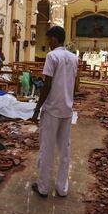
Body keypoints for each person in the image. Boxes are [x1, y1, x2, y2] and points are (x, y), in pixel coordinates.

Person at [31, 26, 78, 198]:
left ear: (55, 39)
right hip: (67, 109)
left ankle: (43, 187)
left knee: (47, 149)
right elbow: (74, 83)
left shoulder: (52, 56)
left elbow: (47, 84)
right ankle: (62, 188)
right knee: (65, 150)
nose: (47, 42)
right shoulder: (74, 58)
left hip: (52, 109)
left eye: (49, 39)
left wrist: (37, 108)